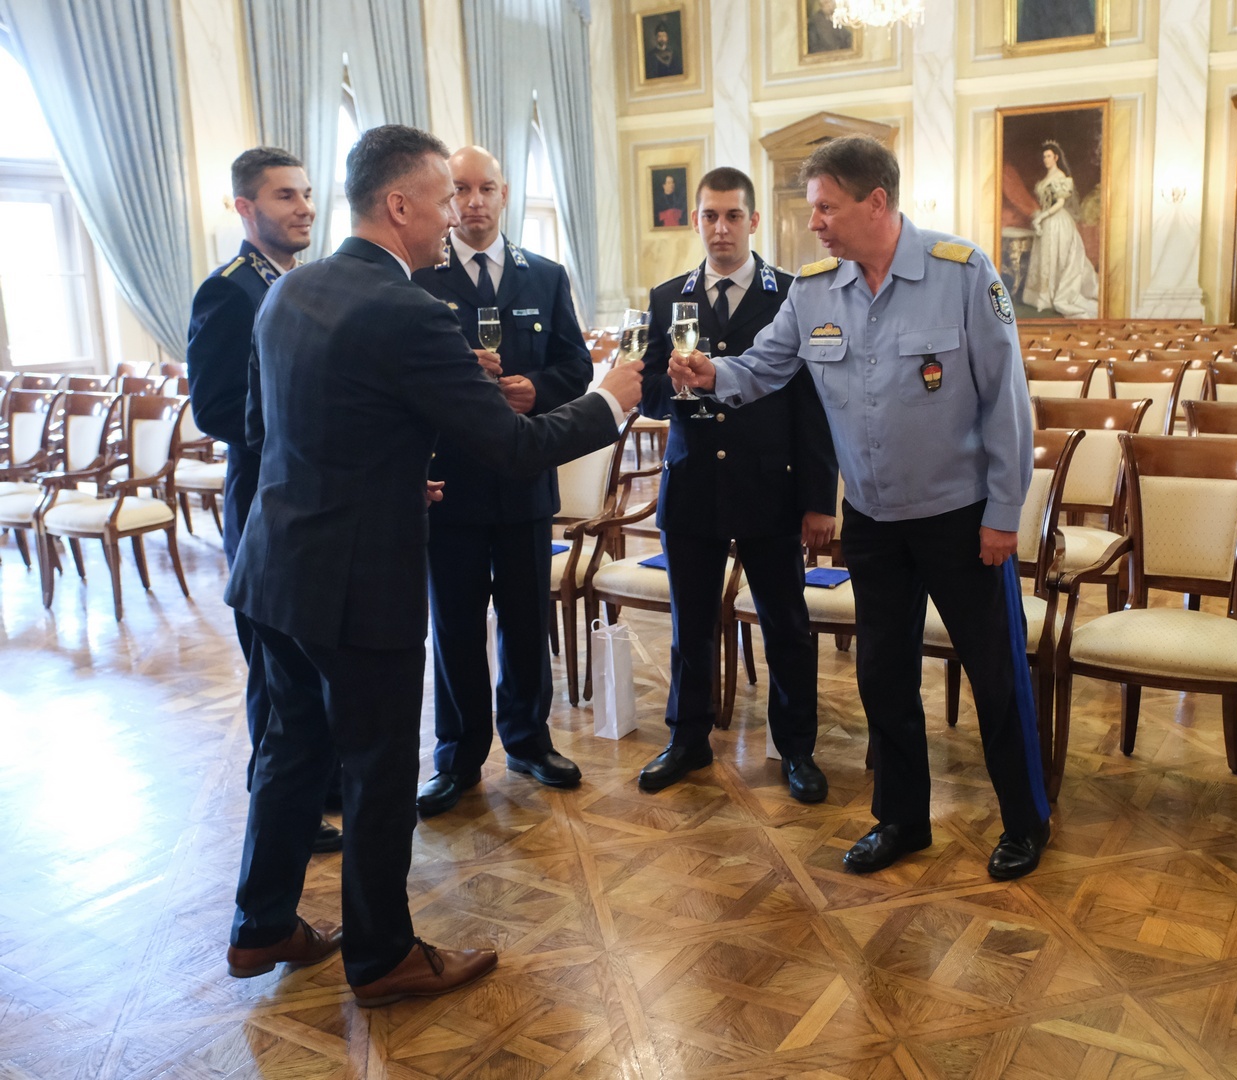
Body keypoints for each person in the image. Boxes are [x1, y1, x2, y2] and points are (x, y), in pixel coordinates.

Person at [222, 124, 643, 1007]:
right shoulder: (408, 308)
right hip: (354, 581)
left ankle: (261, 926)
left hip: (273, 566)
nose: (457, 213)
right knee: (378, 768)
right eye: (446, 198)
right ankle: (383, 958)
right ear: (400, 205)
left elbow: (272, 433)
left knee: (291, 748)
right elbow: (513, 448)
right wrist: (610, 399)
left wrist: (392, 477)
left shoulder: (290, 291)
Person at [670, 136, 1051, 881]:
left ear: (876, 202)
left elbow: (1007, 401)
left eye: (826, 208)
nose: (813, 223)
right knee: (883, 675)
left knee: (996, 675)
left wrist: (1005, 513)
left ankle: (1025, 820)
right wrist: (714, 373)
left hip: (961, 516)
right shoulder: (814, 290)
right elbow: (767, 366)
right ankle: (902, 819)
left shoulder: (963, 273)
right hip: (873, 519)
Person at [637, 166, 838, 800]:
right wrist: (670, 386)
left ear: (753, 220)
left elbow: (812, 406)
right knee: (690, 625)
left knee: (786, 625)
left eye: (731, 216)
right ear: (696, 221)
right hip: (693, 484)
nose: (720, 228)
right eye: (709, 216)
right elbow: (647, 391)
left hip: (769, 486)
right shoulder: (668, 297)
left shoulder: (791, 295)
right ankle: (687, 739)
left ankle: (796, 748)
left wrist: (818, 500)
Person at [409, 146, 593, 818]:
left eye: (486, 188)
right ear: (446, 198)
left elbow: (576, 368)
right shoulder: (418, 280)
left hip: (522, 482)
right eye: (460, 189)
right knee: (456, 626)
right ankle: (457, 757)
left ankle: (529, 740)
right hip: (451, 483)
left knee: (525, 619)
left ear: (505, 194)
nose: (474, 202)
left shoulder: (543, 275)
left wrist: (535, 389)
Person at [185, 148, 343, 854]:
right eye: (285, 196)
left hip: (314, 496)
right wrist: (308, 428)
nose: (305, 207)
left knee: (313, 662)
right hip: (264, 502)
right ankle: (285, 815)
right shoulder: (231, 292)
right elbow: (217, 408)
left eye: (306, 193)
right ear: (246, 208)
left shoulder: (305, 284)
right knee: (277, 673)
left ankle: (322, 782)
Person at [1021, 139, 1098, 318]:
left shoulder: (1061, 177)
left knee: (1058, 257)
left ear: (1056, 157)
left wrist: (1042, 216)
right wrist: (1039, 217)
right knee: (1045, 257)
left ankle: (1056, 295)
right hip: (1047, 222)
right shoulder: (1046, 177)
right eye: (1044, 157)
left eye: (1049, 156)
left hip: (1058, 221)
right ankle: (1042, 298)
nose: (1046, 160)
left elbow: (1060, 203)